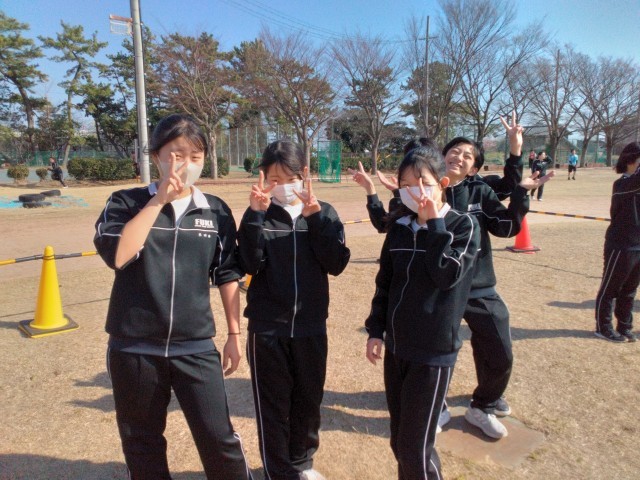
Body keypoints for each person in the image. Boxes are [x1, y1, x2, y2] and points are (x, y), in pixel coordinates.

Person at [93, 114, 252, 480]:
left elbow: (226, 273)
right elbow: (118, 255)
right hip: (134, 346)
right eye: (176, 155)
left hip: (194, 344)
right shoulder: (125, 202)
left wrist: (234, 333)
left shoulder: (215, 210)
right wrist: (158, 200)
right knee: (142, 441)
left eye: (196, 156)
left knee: (219, 438)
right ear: (156, 156)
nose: (186, 164)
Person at [365, 145, 480, 479]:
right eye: (406, 185)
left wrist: (435, 227)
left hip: (432, 353)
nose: (415, 191)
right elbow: (385, 283)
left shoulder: (463, 226)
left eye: (423, 183)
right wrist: (375, 330)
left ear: (442, 184)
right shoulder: (400, 226)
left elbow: (446, 275)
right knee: (400, 442)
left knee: (414, 449)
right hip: (397, 347)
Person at [238, 140, 350, 480]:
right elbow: (248, 264)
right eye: (274, 179)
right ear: (262, 177)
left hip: (310, 326)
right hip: (267, 329)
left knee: (308, 400)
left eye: (291, 178)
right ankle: (277, 471)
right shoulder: (258, 213)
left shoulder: (324, 212)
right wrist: (255, 216)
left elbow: (336, 264)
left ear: (304, 174)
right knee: (272, 406)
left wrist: (315, 219)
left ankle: (302, 463)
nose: (283, 186)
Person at [594, 141, 640, 343]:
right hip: (621, 244)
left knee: (630, 290)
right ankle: (603, 327)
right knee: (610, 288)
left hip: (638, 244)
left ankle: (625, 326)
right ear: (631, 160)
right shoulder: (622, 184)